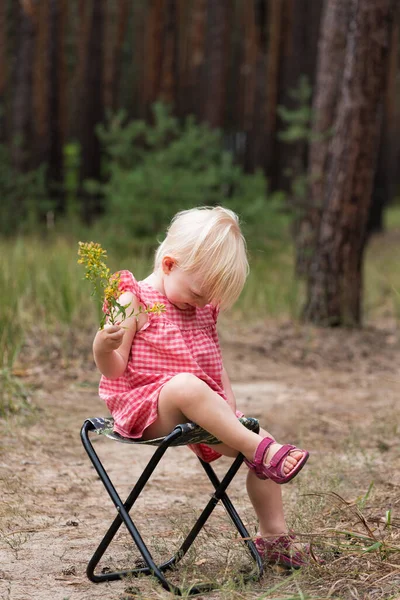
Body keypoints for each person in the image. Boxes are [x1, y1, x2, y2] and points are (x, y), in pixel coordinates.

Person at [93, 206, 311, 568]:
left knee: (256, 433)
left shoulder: (201, 309)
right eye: (197, 294)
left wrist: (232, 414)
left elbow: (217, 369)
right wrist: (102, 346)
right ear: (168, 264)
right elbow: (114, 371)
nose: (201, 303)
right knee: (185, 384)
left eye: (208, 298)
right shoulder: (133, 299)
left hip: (196, 406)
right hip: (146, 409)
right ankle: (261, 449)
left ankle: (272, 536)